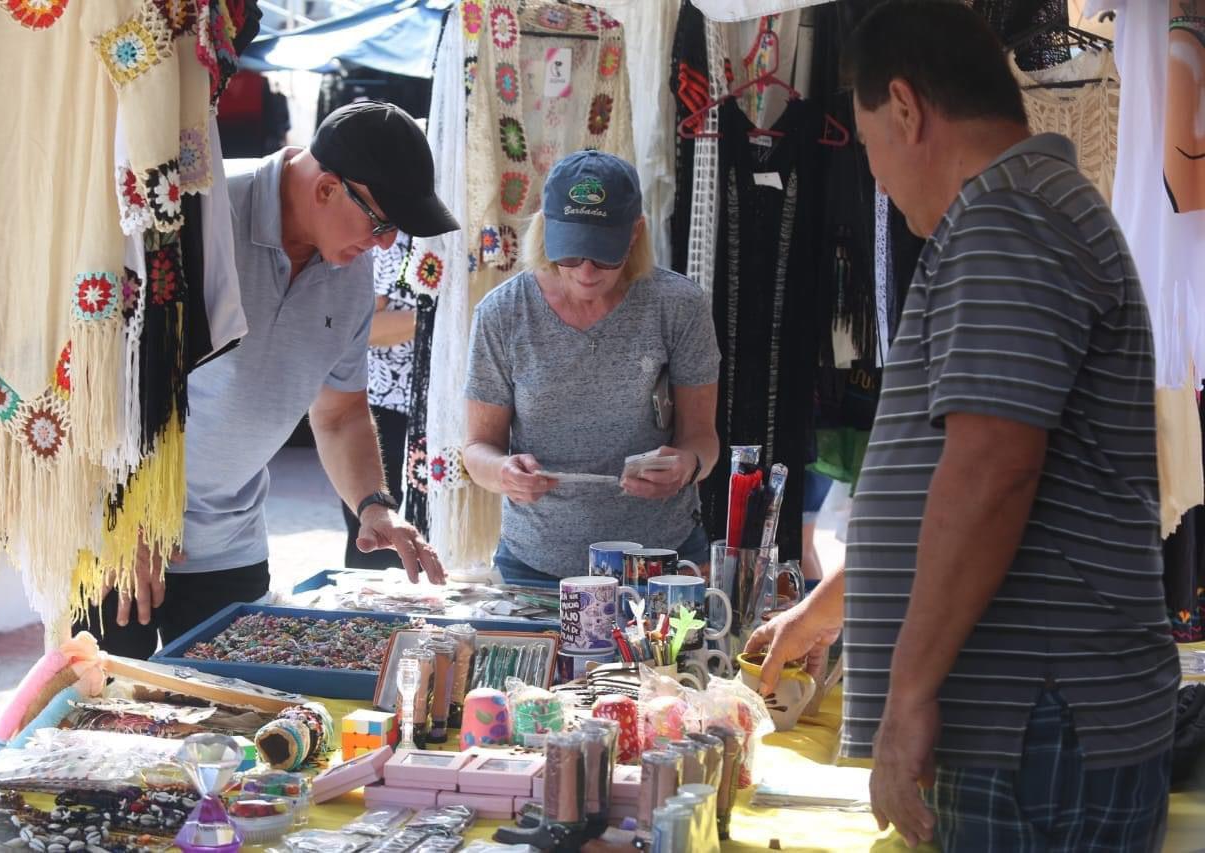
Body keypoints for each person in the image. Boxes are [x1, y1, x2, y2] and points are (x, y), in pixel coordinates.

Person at [747, 2, 1178, 849]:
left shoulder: (1009, 217)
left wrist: (908, 701)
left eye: (869, 144)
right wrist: (835, 607)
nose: (873, 173)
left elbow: (993, 467)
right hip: (1037, 728)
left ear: (905, 108)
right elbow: (974, 477)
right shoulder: (1016, 211)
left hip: (1030, 731)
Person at [78, 102, 455, 657]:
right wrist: (122, 511)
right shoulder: (193, 213)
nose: (384, 245)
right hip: (115, 536)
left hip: (231, 546)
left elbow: (340, 413)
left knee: (226, 726)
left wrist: (375, 505)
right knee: (100, 722)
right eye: (381, 224)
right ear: (326, 189)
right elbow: (93, 375)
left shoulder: (350, 273)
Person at [463, 151, 721, 586]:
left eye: (604, 256)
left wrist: (687, 466)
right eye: (570, 254)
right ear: (545, 228)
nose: (585, 271)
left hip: (660, 562)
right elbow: (477, 449)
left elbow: (703, 439)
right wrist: (504, 474)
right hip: (536, 564)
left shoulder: (678, 306)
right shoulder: (503, 313)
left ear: (635, 233)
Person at [340, 234, 414, 569]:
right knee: (377, 543)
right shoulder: (392, 242)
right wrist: (440, 320)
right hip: (382, 409)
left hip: (433, 415)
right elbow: (360, 326)